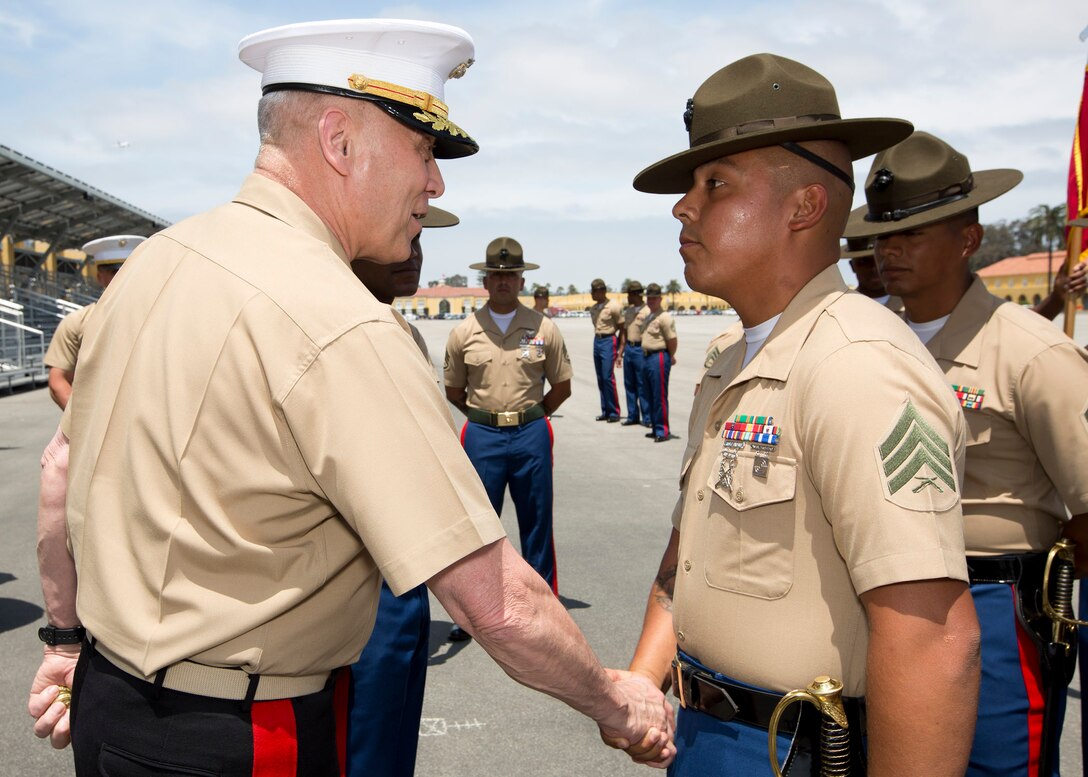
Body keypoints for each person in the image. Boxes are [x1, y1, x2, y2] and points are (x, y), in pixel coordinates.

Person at [28, 20, 674, 774]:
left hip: (108, 703)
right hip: (244, 733)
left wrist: (65, 641)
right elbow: (493, 599)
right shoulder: (338, 321)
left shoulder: (155, 264)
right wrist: (616, 700)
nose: (435, 185)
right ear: (339, 142)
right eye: (424, 151)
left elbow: (59, 469)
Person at [625, 53, 980, 776]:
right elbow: (685, 548)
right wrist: (643, 675)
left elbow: (933, 638)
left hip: (793, 750)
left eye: (715, 183)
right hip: (706, 736)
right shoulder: (732, 358)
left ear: (804, 207)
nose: (683, 206)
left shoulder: (860, 365)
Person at [844, 130, 1088, 777]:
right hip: (875, 602)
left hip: (995, 608)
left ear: (969, 239)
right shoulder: (861, 344)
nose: (888, 250)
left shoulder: (1034, 354)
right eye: (881, 235)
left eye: (912, 234)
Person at [346, 205, 456, 777]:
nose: (416, 252)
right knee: (362, 747)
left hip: (406, 577)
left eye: (421, 238)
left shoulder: (401, 332)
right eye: (405, 231)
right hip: (359, 585)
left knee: (392, 744)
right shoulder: (344, 332)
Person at [444, 238, 572, 632]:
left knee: (537, 519)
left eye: (510, 276)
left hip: (531, 433)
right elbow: (453, 391)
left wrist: (534, 417)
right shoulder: (465, 332)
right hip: (482, 436)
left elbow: (562, 385)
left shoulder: (542, 328)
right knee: (479, 526)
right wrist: (485, 418)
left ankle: (542, 606)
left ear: (522, 281)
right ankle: (473, 612)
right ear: (485, 281)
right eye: (496, 276)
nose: (503, 282)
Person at [42, 235, 145, 410]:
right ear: (100, 277)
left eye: (130, 269)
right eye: (115, 272)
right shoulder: (76, 323)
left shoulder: (160, 317)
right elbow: (58, 380)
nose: (123, 277)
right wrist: (83, 425)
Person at [638, 283, 676, 443]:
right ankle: (655, 427)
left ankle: (662, 430)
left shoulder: (664, 317)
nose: (651, 301)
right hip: (646, 357)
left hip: (658, 357)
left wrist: (670, 355)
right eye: (649, 298)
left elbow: (672, 340)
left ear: (660, 299)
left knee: (659, 395)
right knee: (648, 394)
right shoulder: (650, 316)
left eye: (654, 298)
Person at [589, 277, 624, 422]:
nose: (592, 294)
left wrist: (621, 349)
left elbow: (622, 328)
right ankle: (605, 410)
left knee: (607, 377)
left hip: (609, 340)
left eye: (594, 291)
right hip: (597, 340)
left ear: (602, 291)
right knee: (600, 379)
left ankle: (614, 411)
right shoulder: (594, 308)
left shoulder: (614, 306)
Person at [842, 235, 903, 312]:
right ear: (852, 266)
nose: (873, 268)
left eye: (878, 259)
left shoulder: (911, 306)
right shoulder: (842, 309)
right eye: (864, 262)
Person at [620, 280, 651, 427]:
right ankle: (632, 415)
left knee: (642, 384)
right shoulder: (629, 312)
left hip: (641, 350)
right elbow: (625, 332)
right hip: (629, 349)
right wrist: (621, 352)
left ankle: (647, 417)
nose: (627, 297)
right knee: (629, 384)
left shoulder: (647, 311)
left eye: (629, 294)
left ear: (636, 294)